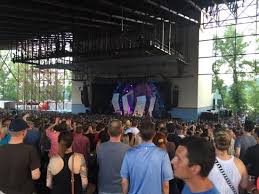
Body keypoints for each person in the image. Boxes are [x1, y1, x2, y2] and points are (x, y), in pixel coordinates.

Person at [121, 120, 173, 194]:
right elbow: (166, 184)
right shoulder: (163, 155)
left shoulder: (129, 153)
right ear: (154, 134)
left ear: (140, 134)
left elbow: (124, 181)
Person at [0, 118, 41, 194]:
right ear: (24, 132)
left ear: (9, 131)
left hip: (3, 190)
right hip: (23, 190)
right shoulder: (30, 150)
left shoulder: (1, 148)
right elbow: (36, 176)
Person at [97, 120, 130, 194]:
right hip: (120, 190)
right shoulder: (128, 150)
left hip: (103, 188)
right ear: (121, 131)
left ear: (108, 132)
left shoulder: (100, 147)